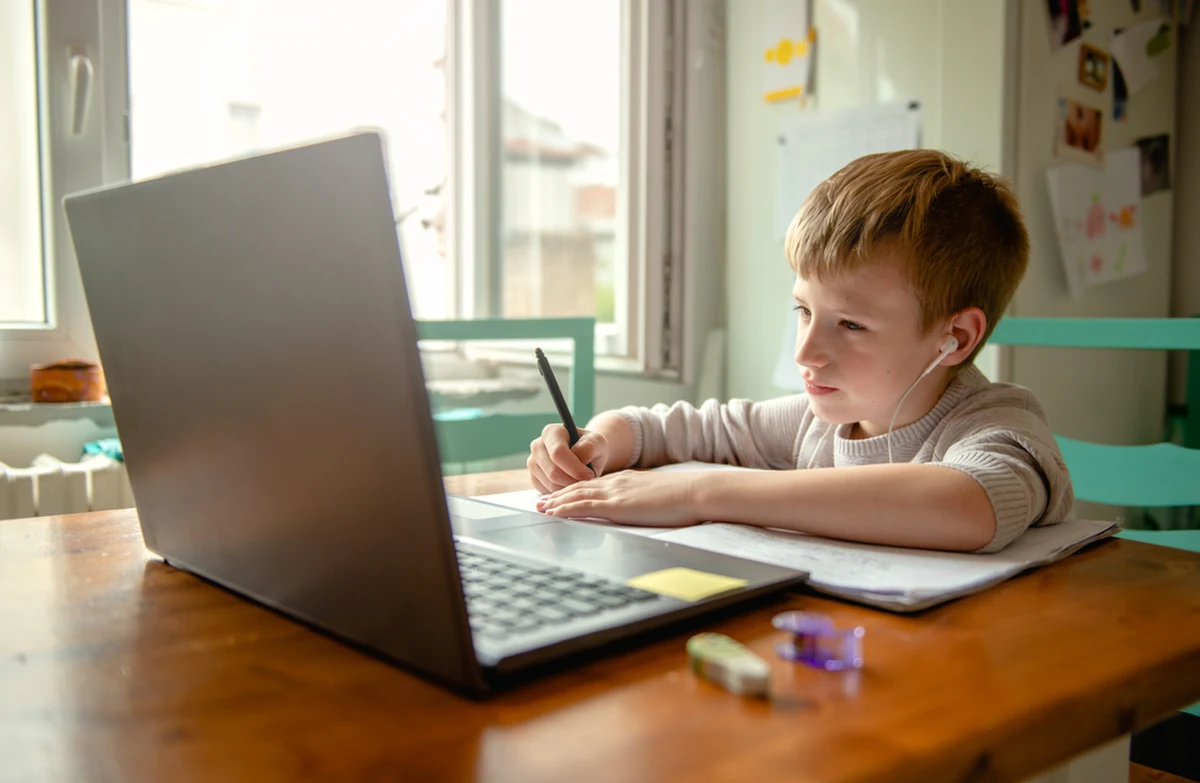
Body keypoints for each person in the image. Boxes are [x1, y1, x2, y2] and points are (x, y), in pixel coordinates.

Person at [527, 150, 1074, 553]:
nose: (807, 352)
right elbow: (674, 428)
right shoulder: (819, 423)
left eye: (852, 324)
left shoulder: (1000, 423)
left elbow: (969, 503)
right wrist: (597, 443)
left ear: (954, 338)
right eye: (804, 312)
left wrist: (698, 493)